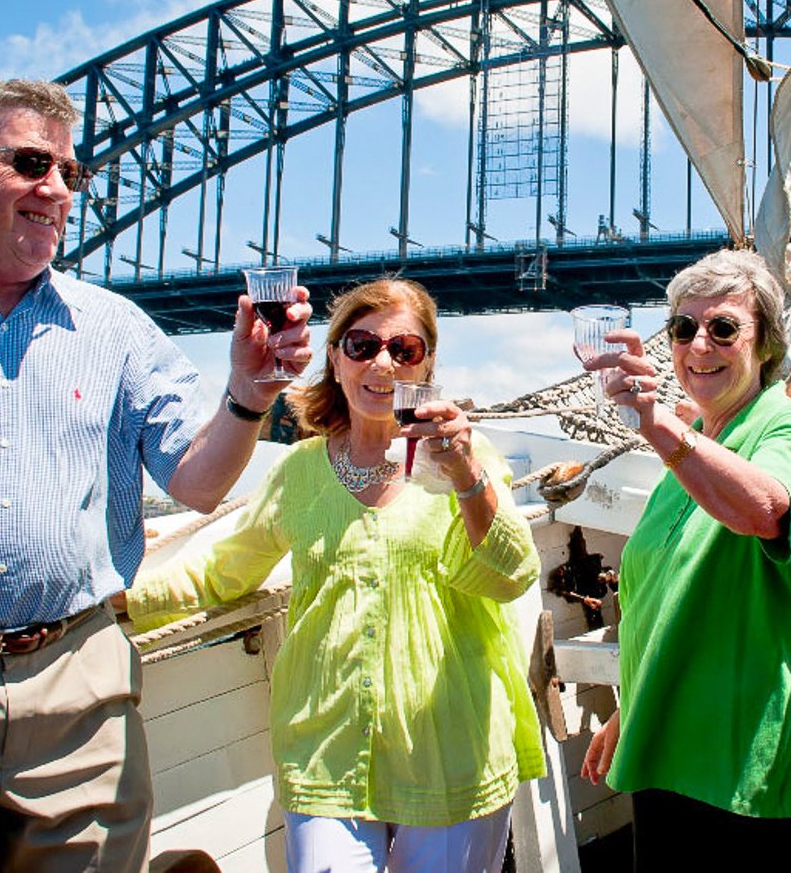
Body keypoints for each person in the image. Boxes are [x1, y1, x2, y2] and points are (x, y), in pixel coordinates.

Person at [0, 78, 313, 871]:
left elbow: (195, 484)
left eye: (71, 173)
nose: (56, 191)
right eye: (29, 163)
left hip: (81, 682)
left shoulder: (114, 327)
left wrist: (248, 394)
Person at [127, 278, 544, 873]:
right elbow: (222, 575)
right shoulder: (298, 472)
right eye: (361, 345)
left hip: (452, 749)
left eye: (404, 349)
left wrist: (466, 475)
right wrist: (116, 601)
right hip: (325, 748)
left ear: (426, 363)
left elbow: (509, 575)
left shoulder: (465, 460)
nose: (381, 362)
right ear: (334, 357)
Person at [577, 249, 791, 869]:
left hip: (745, 752)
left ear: (765, 345)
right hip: (669, 742)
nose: (700, 344)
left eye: (723, 328)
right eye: (683, 328)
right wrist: (632, 709)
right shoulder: (694, 455)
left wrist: (654, 420)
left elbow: (765, 509)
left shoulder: (786, 420)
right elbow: (672, 598)